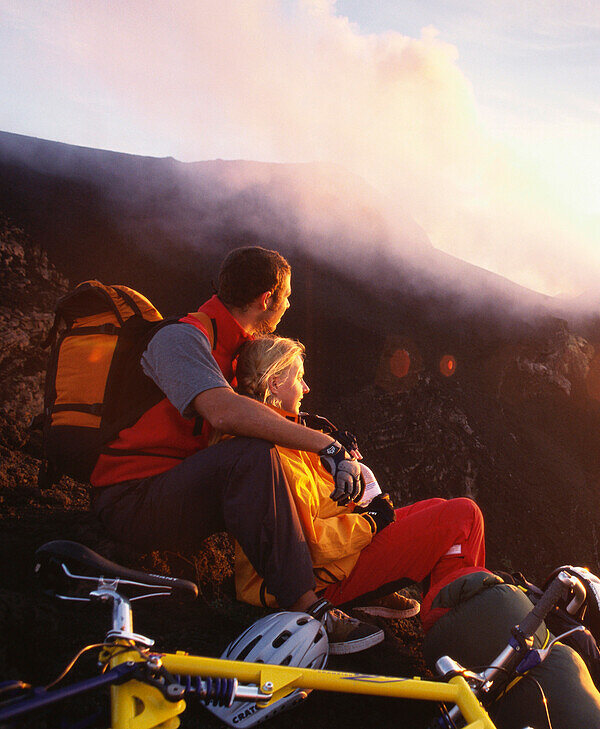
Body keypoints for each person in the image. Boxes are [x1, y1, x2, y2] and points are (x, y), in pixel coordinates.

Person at [89, 247, 382, 653]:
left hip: (176, 491)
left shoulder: (232, 351)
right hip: (130, 500)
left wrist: (328, 444)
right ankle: (306, 608)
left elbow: (252, 414)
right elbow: (223, 413)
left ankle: (330, 576)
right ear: (268, 298)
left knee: (261, 452)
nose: (288, 305)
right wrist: (326, 446)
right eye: (288, 296)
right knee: (252, 454)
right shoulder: (182, 338)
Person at [230, 335, 486, 629]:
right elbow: (309, 544)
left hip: (334, 561)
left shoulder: (282, 436)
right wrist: (371, 522)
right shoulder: (274, 453)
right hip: (321, 582)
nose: (306, 387)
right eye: (298, 378)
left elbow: (318, 507)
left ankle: (444, 612)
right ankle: (453, 627)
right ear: (275, 384)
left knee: (440, 507)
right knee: (464, 516)